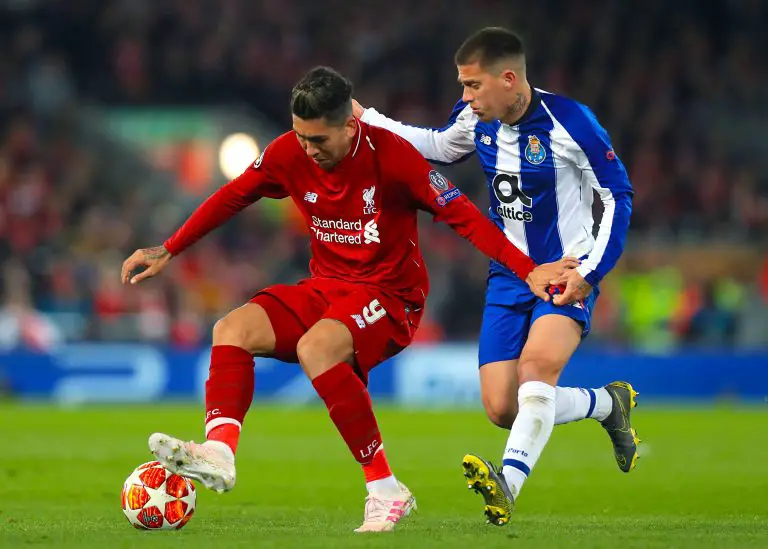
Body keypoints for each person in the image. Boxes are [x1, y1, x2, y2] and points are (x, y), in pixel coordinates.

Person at [120, 66, 576, 533]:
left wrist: (527, 269)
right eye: (300, 137)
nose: (308, 150)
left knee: (316, 348)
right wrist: (169, 247)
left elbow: (465, 218)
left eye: (319, 139)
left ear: (350, 126)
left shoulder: (393, 157)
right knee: (230, 329)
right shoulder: (287, 153)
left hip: (392, 296)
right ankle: (219, 453)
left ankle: (384, 490)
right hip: (327, 288)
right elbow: (234, 195)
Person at [353, 27, 638, 526]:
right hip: (509, 275)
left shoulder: (571, 122)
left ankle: (507, 484)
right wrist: (366, 118)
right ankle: (605, 404)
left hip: (564, 271)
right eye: (463, 86)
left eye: (473, 85)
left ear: (509, 80)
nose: (465, 97)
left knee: (537, 370)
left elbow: (617, 194)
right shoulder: (476, 120)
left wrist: (591, 272)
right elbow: (437, 147)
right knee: (503, 406)